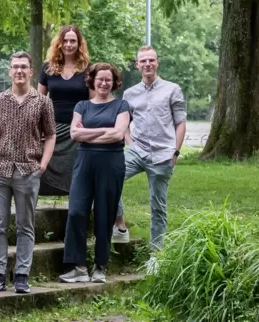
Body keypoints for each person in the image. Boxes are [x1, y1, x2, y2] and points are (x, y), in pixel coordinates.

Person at [0, 51, 56, 294]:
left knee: (25, 225)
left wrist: (43, 163)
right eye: (15, 66)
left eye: (24, 66)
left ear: (31, 71)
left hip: (28, 170)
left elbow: (51, 134)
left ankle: (22, 275)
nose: (19, 70)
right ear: (9, 71)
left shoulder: (43, 102)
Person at [111, 45, 187, 273]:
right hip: (137, 151)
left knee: (158, 206)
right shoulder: (130, 93)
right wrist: (129, 142)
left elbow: (180, 123)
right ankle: (120, 226)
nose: (147, 64)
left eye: (151, 60)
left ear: (157, 62)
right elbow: (124, 122)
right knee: (109, 179)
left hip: (163, 155)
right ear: (137, 64)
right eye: (143, 61)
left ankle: (156, 255)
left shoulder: (172, 90)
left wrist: (175, 152)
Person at [59, 63, 130, 283]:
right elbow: (74, 134)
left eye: (108, 79)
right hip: (84, 162)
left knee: (104, 214)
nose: (104, 83)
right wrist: (103, 130)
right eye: (100, 79)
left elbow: (119, 134)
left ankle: (100, 266)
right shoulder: (82, 105)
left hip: (111, 163)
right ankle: (78, 266)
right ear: (92, 80)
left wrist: (87, 132)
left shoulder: (122, 105)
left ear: (114, 82)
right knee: (76, 211)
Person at [37, 25, 93, 196]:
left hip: (78, 128)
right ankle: (29, 204)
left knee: (81, 171)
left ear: (79, 44)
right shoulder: (48, 67)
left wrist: (88, 128)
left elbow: (93, 102)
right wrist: (39, 127)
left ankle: (79, 204)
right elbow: (39, 101)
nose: (69, 44)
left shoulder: (88, 69)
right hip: (53, 128)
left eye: (73, 41)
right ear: (59, 43)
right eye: (65, 40)